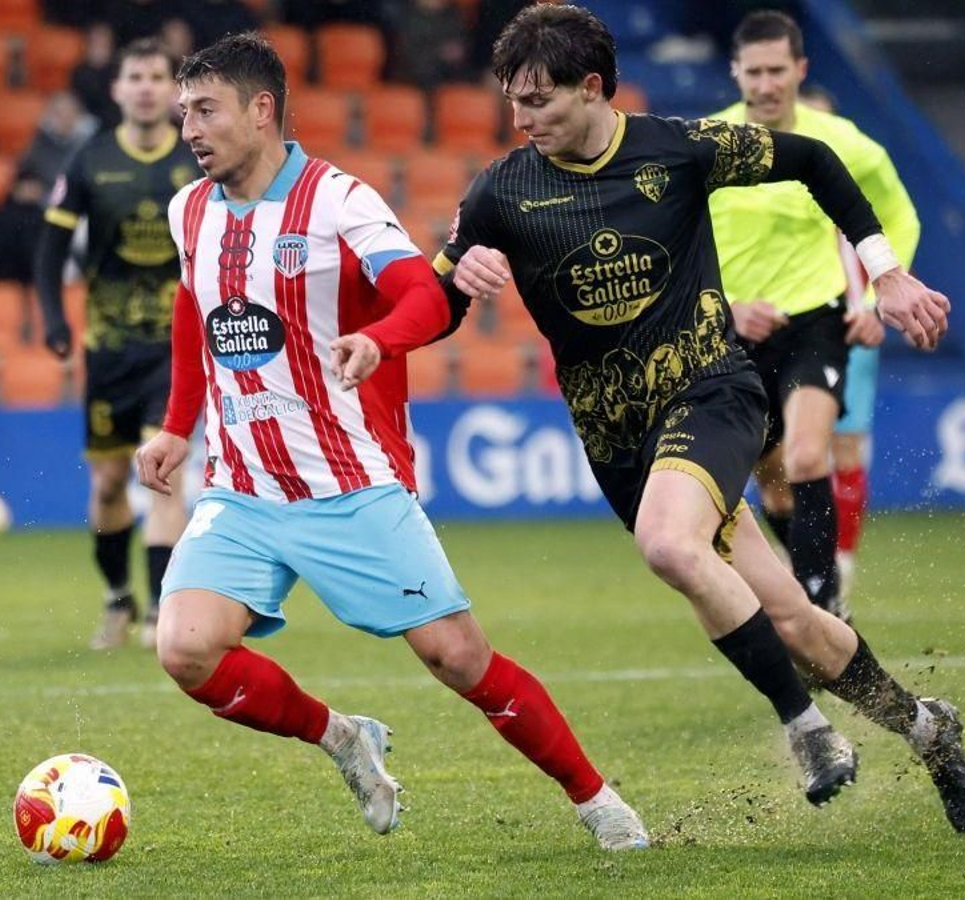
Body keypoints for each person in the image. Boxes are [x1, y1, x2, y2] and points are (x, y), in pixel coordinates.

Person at [438, 5, 965, 833]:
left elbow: (812, 157)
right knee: (798, 623)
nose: (524, 119)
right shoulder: (502, 190)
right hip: (619, 442)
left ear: (593, 88)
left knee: (670, 544)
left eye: (541, 100)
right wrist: (450, 283)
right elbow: (437, 302)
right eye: (513, 101)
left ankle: (807, 729)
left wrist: (886, 272)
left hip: (712, 392)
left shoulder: (675, 148)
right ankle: (928, 730)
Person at [132, 31, 647, 851]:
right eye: (185, 110)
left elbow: (418, 292)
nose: (188, 127)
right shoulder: (187, 209)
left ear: (261, 111)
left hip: (351, 483)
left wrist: (382, 341)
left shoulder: (339, 201)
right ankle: (342, 737)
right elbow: (196, 312)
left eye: (206, 110)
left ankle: (596, 801)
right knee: (186, 650)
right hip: (241, 489)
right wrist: (174, 426)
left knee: (457, 659)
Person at [710, 12, 920, 619]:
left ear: (800, 69)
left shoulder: (844, 142)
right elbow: (681, 241)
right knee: (773, 480)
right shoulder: (709, 144)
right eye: (755, 72)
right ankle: (821, 592)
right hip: (735, 333)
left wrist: (881, 296)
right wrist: (727, 307)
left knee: (807, 456)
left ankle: (821, 603)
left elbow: (900, 217)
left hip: (815, 320)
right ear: (736, 73)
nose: (767, 83)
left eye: (778, 70)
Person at [35, 40, 199, 651]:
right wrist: (54, 317)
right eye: (137, 77)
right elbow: (49, 249)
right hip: (107, 346)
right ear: (118, 88)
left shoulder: (196, 158)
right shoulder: (90, 159)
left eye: (159, 76)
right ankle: (118, 597)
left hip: (176, 344)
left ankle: (161, 609)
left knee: (164, 474)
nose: (148, 87)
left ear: (174, 90)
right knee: (108, 482)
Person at [800, 82, 883, 601]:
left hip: (849, 329)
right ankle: (802, 554)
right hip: (786, 331)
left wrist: (872, 306)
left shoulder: (852, 193)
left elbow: (887, 249)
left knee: (845, 447)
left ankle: (841, 562)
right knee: (787, 455)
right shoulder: (767, 193)